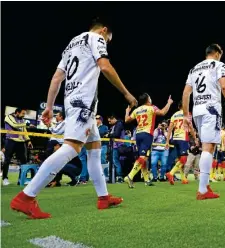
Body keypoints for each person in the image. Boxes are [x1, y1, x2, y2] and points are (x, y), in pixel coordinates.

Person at [10, 18, 137, 219]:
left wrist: (50, 107)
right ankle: (27, 196)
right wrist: (126, 94)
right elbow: (104, 66)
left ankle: (103, 197)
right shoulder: (96, 38)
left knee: (94, 150)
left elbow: (57, 77)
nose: (107, 42)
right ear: (104, 30)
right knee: (71, 148)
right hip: (83, 103)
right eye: (108, 39)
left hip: (72, 101)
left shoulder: (71, 44)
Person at [182, 43, 225, 200]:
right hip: (211, 109)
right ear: (217, 53)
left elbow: (186, 93)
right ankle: (202, 190)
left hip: (197, 110)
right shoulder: (219, 64)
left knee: (206, 147)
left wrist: (186, 115)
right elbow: (224, 86)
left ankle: (205, 185)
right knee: (209, 148)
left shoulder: (194, 69)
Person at [124, 93, 173, 187]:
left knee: (144, 158)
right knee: (143, 157)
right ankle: (130, 176)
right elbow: (163, 112)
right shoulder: (151, 107)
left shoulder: (137, 110)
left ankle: (146, 180)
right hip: (147, 134)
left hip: (138, 134)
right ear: (148, 99)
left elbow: (126, 120)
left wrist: (127, 111)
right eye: (150, 97)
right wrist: (169, 103)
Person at [166, 101, 196, 185]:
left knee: (180, 159)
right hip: (183, 138)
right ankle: (171, 173)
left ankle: (183, 179)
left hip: (175, 139)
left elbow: (170, 129)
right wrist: (195, 138)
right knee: (184, 159)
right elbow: (191, 127)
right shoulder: (187, 114)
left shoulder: (174, 115)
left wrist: (167, 141)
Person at [3, 108, 33, 186]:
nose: (24, 115)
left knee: (24, 162)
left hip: (21, 142)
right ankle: (5, 179)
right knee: (7, 160)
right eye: (22, 113)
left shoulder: (22, 120)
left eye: (24, 114)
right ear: (17, 112)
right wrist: (27, 124)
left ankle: (21, 179)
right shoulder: (8, 117)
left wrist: (28, 140)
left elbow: (24, 131)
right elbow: (14, 125)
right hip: (11, 141)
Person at [107, 115, 125, 182]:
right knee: (116, 162)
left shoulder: (119, 124)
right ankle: (118, 177)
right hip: (116, 146)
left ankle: (119, 177)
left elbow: (117, 134)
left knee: (116, 161)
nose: (109, 123)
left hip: (118, 146)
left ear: (114, 118)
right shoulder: (115, 125)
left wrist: (108, 135)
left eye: (110, 121)